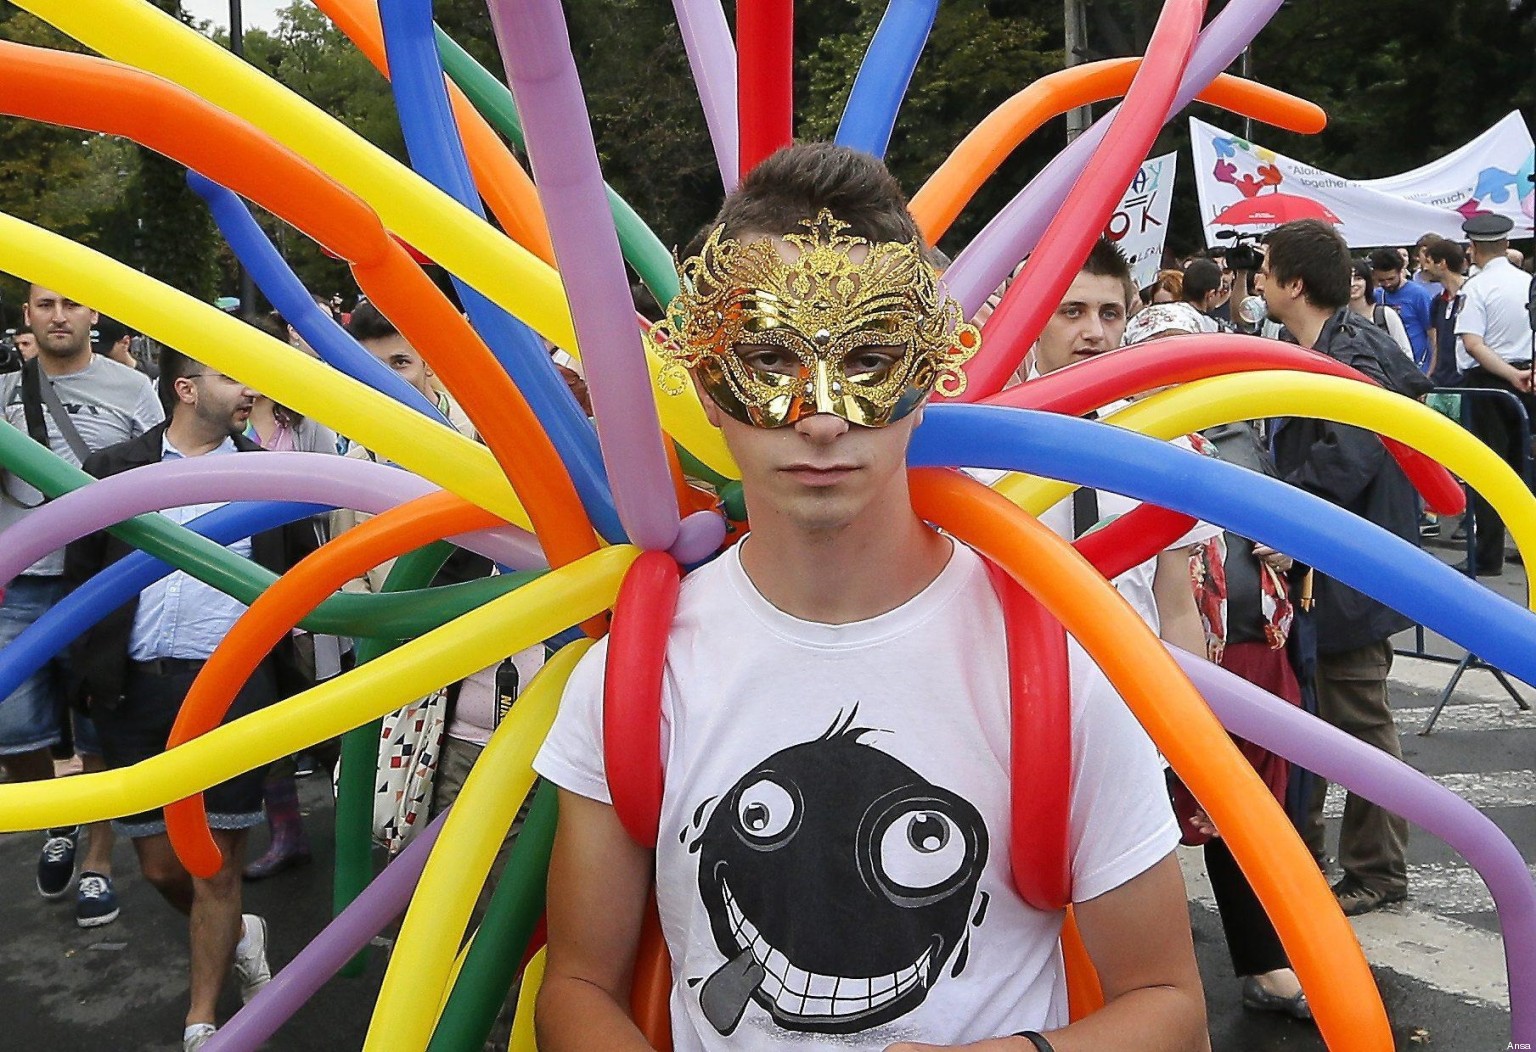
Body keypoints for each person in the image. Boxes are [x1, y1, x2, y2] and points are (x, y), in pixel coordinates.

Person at [532, 144, 1206, 1052]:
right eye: (768, 359)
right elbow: (576, 985)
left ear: (925, 378)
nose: (819, 415)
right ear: (706, 383)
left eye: (869, 357)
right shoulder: (634, 677)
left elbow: (1169, 1003)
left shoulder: (1054, 665)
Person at [65, 348, 318, 1050]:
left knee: (214, 864)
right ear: (185, 388)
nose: (249, 392)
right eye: (232, 376)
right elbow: (80, 578)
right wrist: (84, 674)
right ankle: (239, 933)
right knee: (157, 866)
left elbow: (303, 565)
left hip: (234, 691)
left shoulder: (273, 476)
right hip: (136, 690)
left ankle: (201, 1021)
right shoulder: (117, 471)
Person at [1120, 302, 1312, 1022]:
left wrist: (1283, 551)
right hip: (1156, 659)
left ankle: (1264, 962)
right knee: (1138, 820)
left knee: (1246, 809)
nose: (1175, 372)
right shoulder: (1114, 440)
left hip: (1251, 649)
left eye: (1188, 355)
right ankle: (1142, 987)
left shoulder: (1238, 432)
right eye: (1158, 355)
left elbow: (1274, 519)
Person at [1258, 219, 1421, 917]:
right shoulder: (1329, 345)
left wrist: (1284, 518)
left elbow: (1350, 456)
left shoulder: (1350, 352)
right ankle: (1315, 855)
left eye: (1266, 270)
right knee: (1317, 714)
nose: (1256, 280)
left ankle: (1377, 870)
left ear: (1295, 284)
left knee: (1357, 720)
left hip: (1348, 566)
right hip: (1337, 564)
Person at [0, 284, 163, 928]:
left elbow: (159, 474)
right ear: (28, 316)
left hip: (96, 580)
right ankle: (57, 820)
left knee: (97, 723)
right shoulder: (4, 393)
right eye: (45, 305)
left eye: (71, 304)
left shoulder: (132, 390)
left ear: (94, 313)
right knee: (12, 725)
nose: (59, 316)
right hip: (22, 581)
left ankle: (97, 863)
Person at [1453, 213, 1536, 577]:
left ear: (1472, 249)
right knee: (1523, 468)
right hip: (1528, 377)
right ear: (1507, 244)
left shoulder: (1476, 288)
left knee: (1487, 471)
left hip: (1491, 382)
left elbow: (1473, 343)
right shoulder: (1528, 282)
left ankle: (1487, 555)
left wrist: (1509, 374)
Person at [1368, 247, 1436, 373]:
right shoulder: (1377, 295)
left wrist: (1430, 372)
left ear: (1400, 271)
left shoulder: (1418, 294)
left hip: (1418, 365)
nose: (1387, 284)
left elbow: (1433, 335)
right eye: (1381, 280)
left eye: (1391, 279)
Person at [1423, 239, 1468, 390]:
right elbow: (1437, 344)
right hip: (1441, 382)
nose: (1425, 267)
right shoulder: (1438, 301)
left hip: (1466, 383)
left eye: (1428, 262)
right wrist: (1430, 377)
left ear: (1441, 263)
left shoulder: (1472, 295)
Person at [1347, 260, 1413, 359]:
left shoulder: (1385, 314)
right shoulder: (1337, 319)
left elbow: (1405, 353)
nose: (1352, 284)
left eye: (1358, 278)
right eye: (1347, 279)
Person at [1180, 258, 1226, 332]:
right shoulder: (1214, 329)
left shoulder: (1158, 313)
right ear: (1211, 295)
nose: (1220, 296)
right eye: (1220, 291)